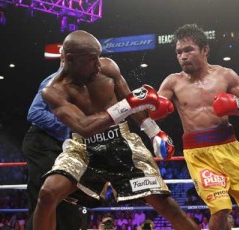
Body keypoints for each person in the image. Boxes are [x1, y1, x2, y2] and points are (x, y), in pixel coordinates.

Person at [32, 30, 199, 230]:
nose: (98, 63)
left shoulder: (108, 67)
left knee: (167, 206)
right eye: (92, 59)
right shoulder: (53, 91)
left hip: (122, 143)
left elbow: (131, 100)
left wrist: (154, 133)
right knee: (47, 194)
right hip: (83, 148)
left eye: (98, 57)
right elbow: (84, 127)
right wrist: (126, 106)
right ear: (70, 59)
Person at [153, 24, 239, 230]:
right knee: (220, 209)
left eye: (188, 50)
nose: (182, 56)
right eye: (179, 52)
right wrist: (150, 119)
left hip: (230, 148)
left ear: (205, 50)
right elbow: (155, 109)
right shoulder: (172, 82)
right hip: (198, 154)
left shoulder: (225, 75)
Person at [21, 49, 81, 230]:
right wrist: (65, 123)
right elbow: (34, 113)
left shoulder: (76, 85)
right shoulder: (55, 81)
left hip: (56, 144)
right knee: (47, 199)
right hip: (41, 142)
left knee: (59, 202)